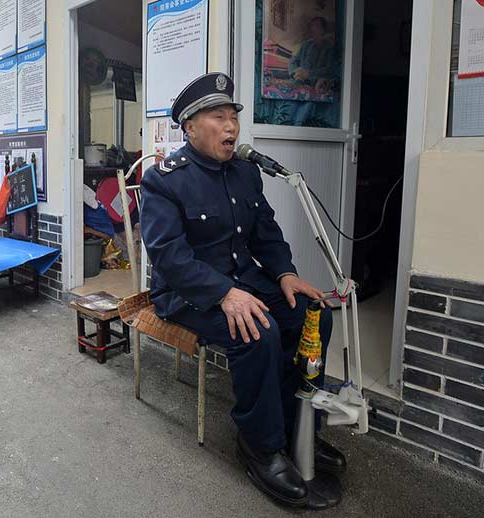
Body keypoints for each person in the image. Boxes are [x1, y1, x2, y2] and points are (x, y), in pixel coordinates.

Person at [139, 72, 346, 508]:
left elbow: (266, 232)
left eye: (233, 115)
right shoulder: (166, 179)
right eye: (218, 117)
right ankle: (260, 444)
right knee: (260, 330)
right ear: (190, 127)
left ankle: (297, 428)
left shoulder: (246, 173)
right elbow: (168, 256)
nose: (231, 126)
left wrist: (285, 274)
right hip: (186, 292)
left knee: (313, 315)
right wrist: (222, 294)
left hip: (245, 280)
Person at [288, 16, 336, 93]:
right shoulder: (306, 45)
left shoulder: (329, 48)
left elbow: (329, 69)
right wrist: (295, 73)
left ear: (323, 30)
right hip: (299, 82)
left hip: (317, 85)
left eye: (316, 25)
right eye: (312, 25)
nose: (312, 28)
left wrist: (309, 74)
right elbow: (293, 60)